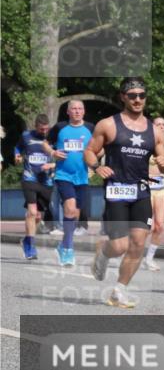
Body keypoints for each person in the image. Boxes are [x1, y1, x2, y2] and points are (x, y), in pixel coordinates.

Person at [85, 78, 164, 308]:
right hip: (116, 190)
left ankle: (118, 291)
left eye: (141, 95)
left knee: (138, 245)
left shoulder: (154, 131)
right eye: (132, 95)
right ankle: (103, 253)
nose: (137, 99)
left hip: (142, 191)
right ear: (123, 97)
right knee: (120, 246)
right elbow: (90, 151)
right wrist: (96, 167)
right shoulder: (108, 125)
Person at [45, 101, 95, 266]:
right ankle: (69, 250)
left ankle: (64, 245)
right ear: (67, 111)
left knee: (75, 214)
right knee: (70, 207)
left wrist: (93, 163)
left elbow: (99, 148)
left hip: (82, 177)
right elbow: (44, 143)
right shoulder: (60, 127)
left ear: (84, 111)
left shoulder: (90, 128)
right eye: (73, 108)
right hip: (63, 175)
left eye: (80, 108)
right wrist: (53, 152)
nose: (77, 111)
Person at [15, 115, 55, 260]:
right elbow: (18, 147)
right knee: (32, 212)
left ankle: (26, 239)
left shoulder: (53, 138)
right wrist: (17, 155)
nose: (44, 131)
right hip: (29, 177)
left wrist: (52, 165)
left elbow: (64, 157)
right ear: (35, 126)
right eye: (41, 129)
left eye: (46, 129)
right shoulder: (26, 136)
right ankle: (30, 246)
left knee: (38, 216)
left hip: (46, 182)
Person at [143, 117, 164, 271]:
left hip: (161, 187)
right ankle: (134, 252)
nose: (162, 127)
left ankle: (149, 258)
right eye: (158, 124)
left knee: (160, 225)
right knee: (147, 226)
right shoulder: (145, 145)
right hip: (146, 187)